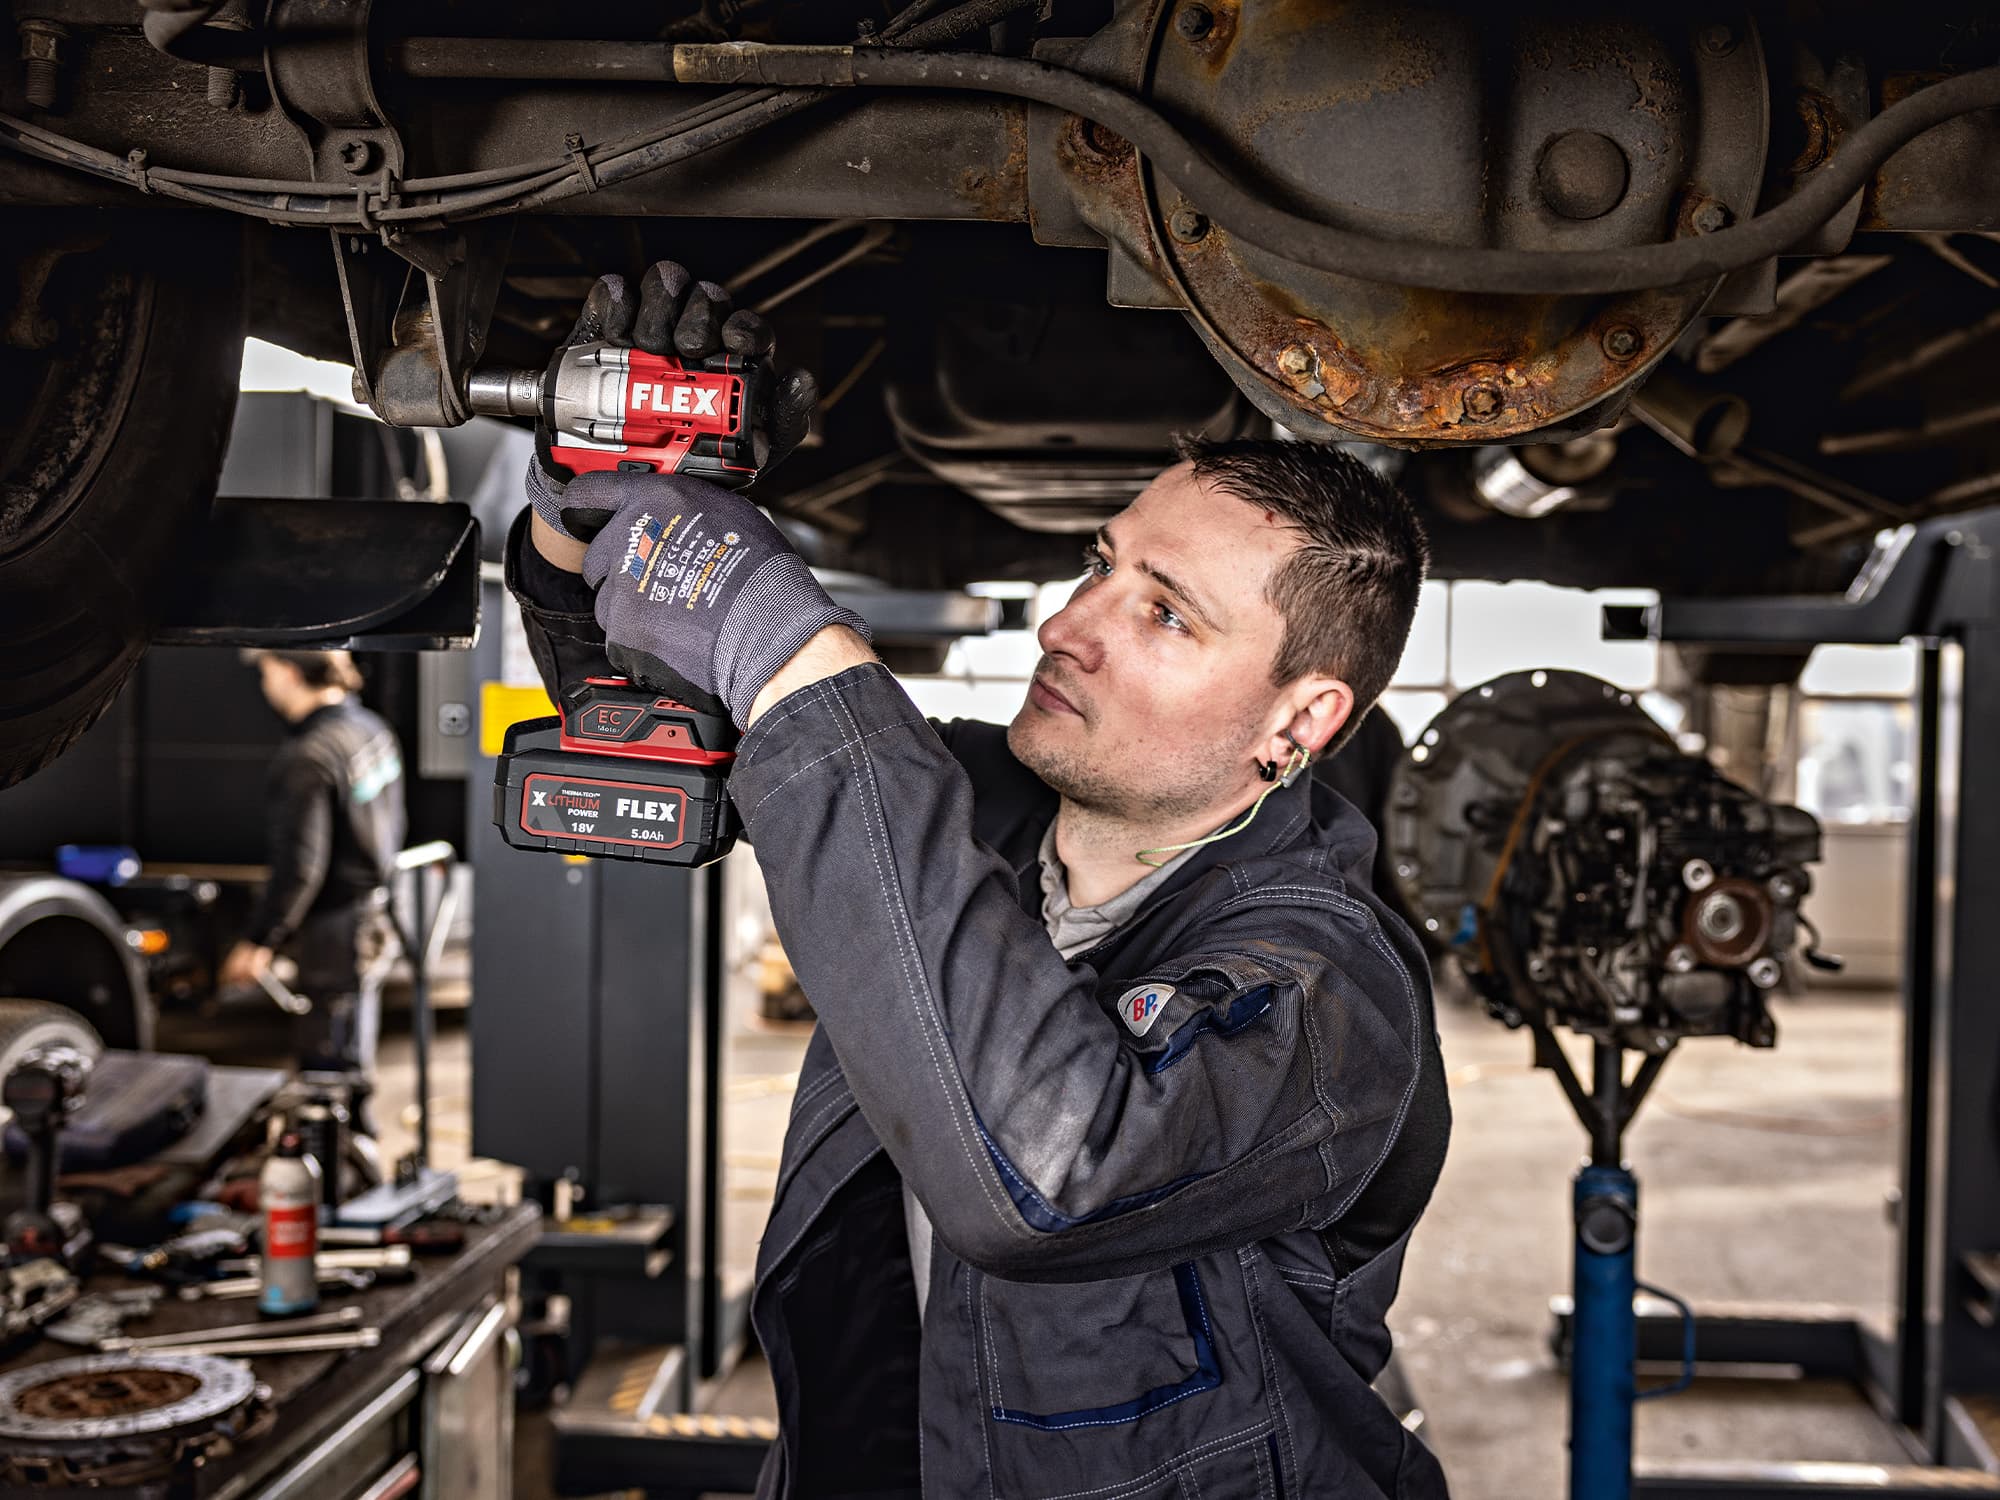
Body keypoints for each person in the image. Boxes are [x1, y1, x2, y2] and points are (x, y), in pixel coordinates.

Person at [507, 264, 1451, 1498]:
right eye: (1100, 565)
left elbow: (1055, 1179)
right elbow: (642, 714)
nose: (1070, 624)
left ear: (1299, 720)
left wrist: (789, 641)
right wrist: (597, 489)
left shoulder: (1330, 997)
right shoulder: (966, 804)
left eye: (1164, 615)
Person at [221, 650, 406, 1121]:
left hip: (336, 931)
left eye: (265, 673)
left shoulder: (308, 757)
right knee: (352, 1049)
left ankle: (341, 1173)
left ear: (287, 671)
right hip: (375, 911)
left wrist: (260, 940)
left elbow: (300, 868)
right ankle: (358, 1161)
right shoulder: (370, 730)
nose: (266, 686)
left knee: (330, 1070)